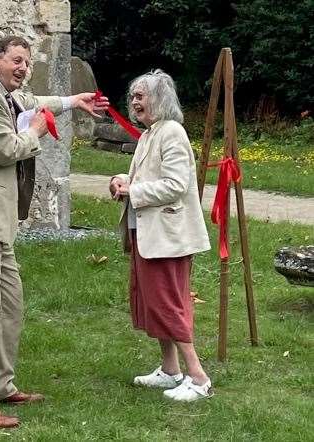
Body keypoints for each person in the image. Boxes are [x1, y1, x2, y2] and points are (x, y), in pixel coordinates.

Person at [0, 35, 108, 428]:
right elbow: (5, 149)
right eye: (16, 60)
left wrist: (72, 102)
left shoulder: (4, 92)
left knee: (10, 304)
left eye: (27, 63)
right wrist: (35, 132)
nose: (23, 68)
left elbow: (32, 104)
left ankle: (0, 384)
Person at [109, 69, 213, 402]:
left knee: (169, 303)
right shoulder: (152, 133)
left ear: (160, 98)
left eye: (140, 96)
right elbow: (142, 176)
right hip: (149, 235)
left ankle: (198, 377)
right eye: (133, 96)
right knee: (153, 302)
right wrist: (121, 180)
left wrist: (133, 189)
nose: (134, 102)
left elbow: (176, 185)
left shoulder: (172, 133)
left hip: (168, 236)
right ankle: (171, 370)